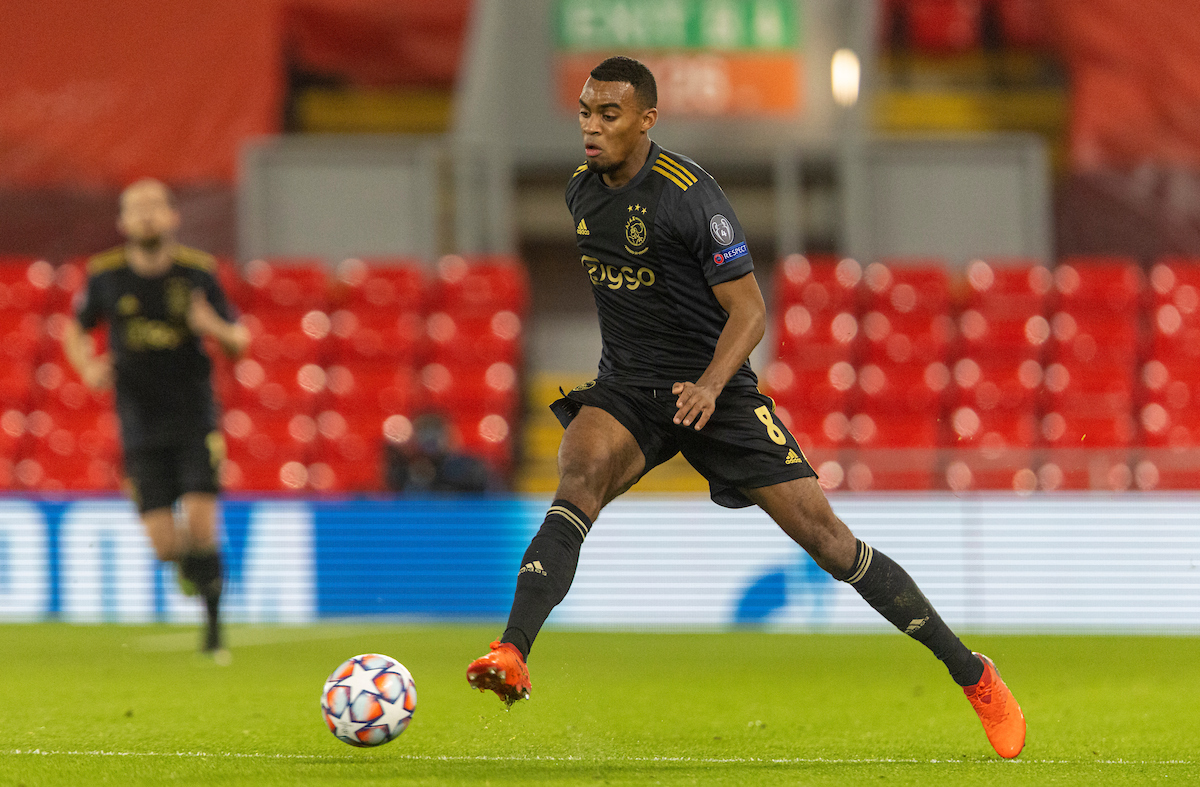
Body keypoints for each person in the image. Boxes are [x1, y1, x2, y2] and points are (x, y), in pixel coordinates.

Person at [466, 57, 1026, 759]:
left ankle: (972, 673)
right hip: (630, 389)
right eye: (585, 112)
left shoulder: (691, 197)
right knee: (577, 477)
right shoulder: (581, 192)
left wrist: (707, 385)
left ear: (647, 120)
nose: (592, 126)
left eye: (609, 114)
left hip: (718, 393)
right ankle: (512, 651)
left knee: (830, 542)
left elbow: (751, 312)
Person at [62, 178, 250, 660]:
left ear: (172, 216)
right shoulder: (105, 275)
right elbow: (75, 330)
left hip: (194, 418)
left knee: (202, 524)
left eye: (154, 206)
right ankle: (200, 574)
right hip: (139, 422)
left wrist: (212, 327)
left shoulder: (198, 272)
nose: (146, 214)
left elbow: (239, 341)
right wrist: (88, 367)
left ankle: (214, 629)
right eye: (136, 208)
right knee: (165, 546)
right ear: (123, 221)